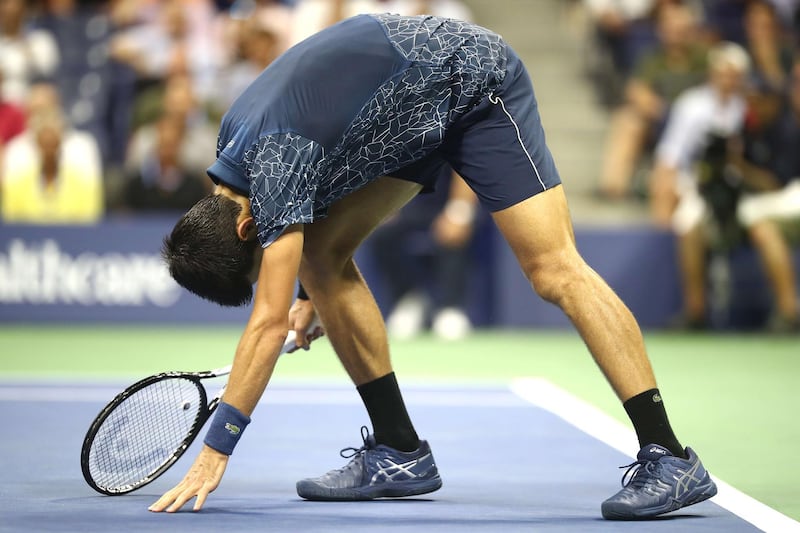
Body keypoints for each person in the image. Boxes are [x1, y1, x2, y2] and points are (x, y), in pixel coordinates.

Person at [153, 14, 717, 520]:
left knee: (554, 270)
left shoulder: (273, 161)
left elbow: (267, 323)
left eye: (260, 261)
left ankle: (669, 457)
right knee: (320, 263)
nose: (272, 260)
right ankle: (399, 451)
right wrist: (308, 294)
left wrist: (215, 449)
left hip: (471, 81)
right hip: (402, 106)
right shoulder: (233, 166)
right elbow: (308, 202)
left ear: (247, 228)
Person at [648, 41, 798, 331]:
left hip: (755, 192)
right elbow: (670, 157)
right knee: (690, 227)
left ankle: (787, 312)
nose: (729, 80)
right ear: (712, 73)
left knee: (760, 223)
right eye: (722, 72)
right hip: (707, 186)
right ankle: (696, 312)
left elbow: (768, 172)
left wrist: (738, 164)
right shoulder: (695, 105)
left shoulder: (757, 114)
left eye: (734, 74)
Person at [369, 168, 479, 340]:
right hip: (409, 206)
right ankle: (409, 301)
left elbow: (467, 168)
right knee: (382, 232)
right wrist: (387, 205)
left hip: (448, 203)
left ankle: (451, 308)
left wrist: (459, 211)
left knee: (453, 232)